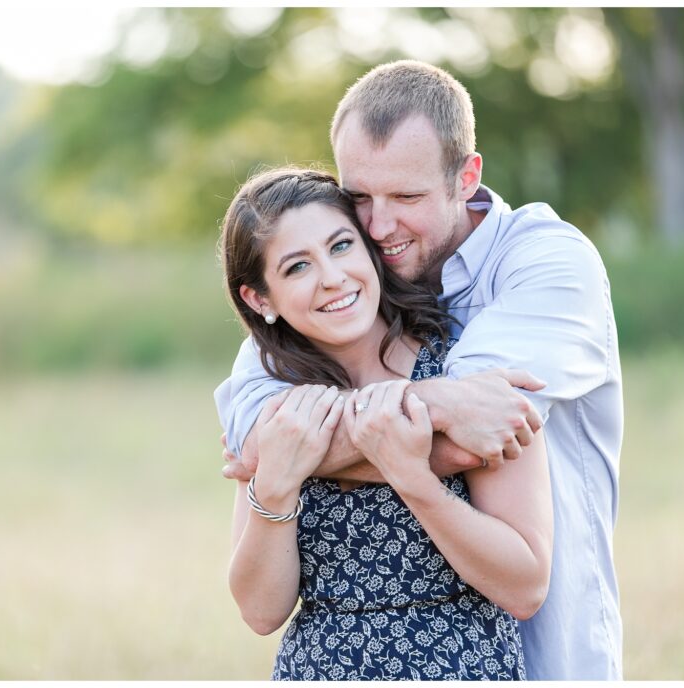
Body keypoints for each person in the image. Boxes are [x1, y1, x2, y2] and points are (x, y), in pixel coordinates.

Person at [215, 60, 623, 680]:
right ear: (261, 299)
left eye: (406, 197)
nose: (377, 227)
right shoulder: (291, 356)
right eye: (359, 201)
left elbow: (479, 432)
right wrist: (274, 474)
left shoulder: (543, 263)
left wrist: (299, 450)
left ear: (467, 177)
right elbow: (252, 431)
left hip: (538, 652)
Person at [222, 167, 552, 680]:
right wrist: (277, 487)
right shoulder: (281, 409)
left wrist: (416, 482)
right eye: (296, 268)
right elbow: (261, 613)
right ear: (260, 299)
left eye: (340, 246)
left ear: (370, 247)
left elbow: (526, 587)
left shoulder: (466, 373)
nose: (332, 277)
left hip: (459, 666)